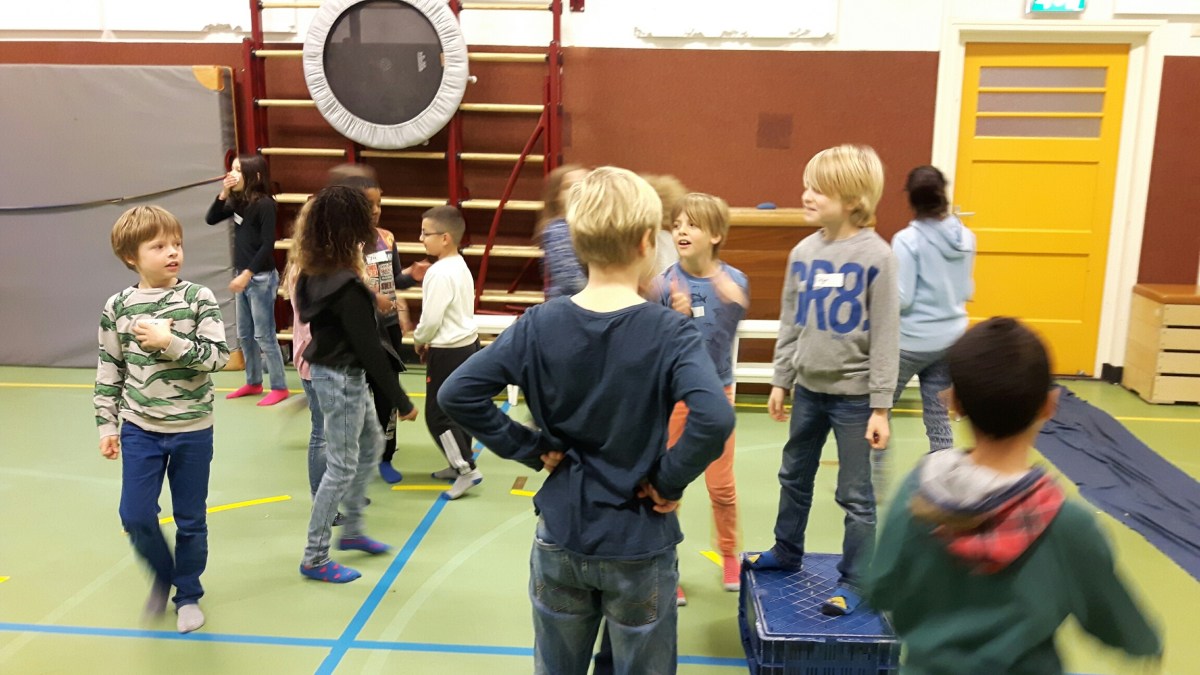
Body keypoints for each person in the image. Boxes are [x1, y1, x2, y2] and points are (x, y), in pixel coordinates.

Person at [438, 166, 734, 675]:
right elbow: (713, 417)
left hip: (561, 536)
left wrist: (530, 448)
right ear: (647, 243)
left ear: (576, 241)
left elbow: (457, 393)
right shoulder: (671, 332)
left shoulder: (539, 324)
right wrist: (667, 480)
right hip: (638, 541)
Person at [867, 317, 1163, 673]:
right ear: (1049, 406)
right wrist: (1146, 641)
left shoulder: (918, 492)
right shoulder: (1067, 526)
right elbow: (1124, 630)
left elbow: (881, 586)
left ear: (954, 402)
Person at [749, 144, 899, 617]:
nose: (806, 195)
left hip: (855, 399)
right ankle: (786, 549)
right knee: (794, 474)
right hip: (809, 392)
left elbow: (886, 334)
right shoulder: (803, 252)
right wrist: (781, 380)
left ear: (853, 201)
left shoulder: (878, 256)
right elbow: (791, 322)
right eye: (807, 186)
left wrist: (881, 407)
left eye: (819, 190)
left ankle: (856, 579)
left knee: (855, 495)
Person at [94, 205, 230, 633]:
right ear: (130, 256)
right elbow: (109, 368)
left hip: (192, 429)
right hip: (140, 428)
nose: (173, 252)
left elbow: (219, 358)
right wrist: (107, 424)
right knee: (135, 515)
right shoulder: (118, 306)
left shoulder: (197, 298)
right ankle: (163, 572)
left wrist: (170, 342)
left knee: (191, 519)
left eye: (177, 244)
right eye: (159, 246)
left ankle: (187, 594)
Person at [293, 186, 418, 583]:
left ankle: (352, 531)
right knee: (342, 466)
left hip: (337, 374)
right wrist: (401, 400)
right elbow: (369, 350)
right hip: (342, 378)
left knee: (372, 443)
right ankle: (315, 557)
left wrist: (367, 298)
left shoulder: (316, 273)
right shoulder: (345, 286)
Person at [656, 192, 749, 594]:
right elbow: (652, 342)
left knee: (722, 486)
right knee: (667, 483)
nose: (681, 231)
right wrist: (670, 320)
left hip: (716, 394)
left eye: (692, 225)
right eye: (677, 224)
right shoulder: (664, 283)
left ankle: (729, 554)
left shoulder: (734, 281)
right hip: (675, 397)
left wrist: (732, 300)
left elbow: (730, 321)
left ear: (715, 235)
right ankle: (665, 562)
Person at [324, 164, 428, 484]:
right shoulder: (340, 244)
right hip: (356, 332)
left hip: (387, 328)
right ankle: (354, 454)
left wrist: (410, 276)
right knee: (355, 395)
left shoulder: (387, 238)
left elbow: (393, 280)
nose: (376, 210)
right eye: (369, 204)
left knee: (386, 393)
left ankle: (386, 454)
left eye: (379, 204)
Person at [890, 165, 976, 453]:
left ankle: (873, 475)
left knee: (877, 410)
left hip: (910, 343)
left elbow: (902, 299)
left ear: (910, 199)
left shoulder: (906, 241)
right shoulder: (966, 237)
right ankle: (943, 471)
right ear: (943, 193)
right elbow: (966, 290)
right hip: (951, 340)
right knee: (938, 417)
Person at [204, 154, 289, 406]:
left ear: (256, 176)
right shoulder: (238, 202)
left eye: (239, 170)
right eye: (232, 169)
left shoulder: (265, 205)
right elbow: (211, 218)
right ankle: (253, 381)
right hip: (243, 277)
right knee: (244, 334)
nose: (233, 174)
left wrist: (247, 274)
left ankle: (279, 386)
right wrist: (224, 192)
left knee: (264, 335)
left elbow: (267, 245)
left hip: (260, 278)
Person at [412, 205, 483, 500]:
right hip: (467, 346)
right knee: (457, 410)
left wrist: (419, 339)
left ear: (445, 238)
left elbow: (431, 319)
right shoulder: (459, 264)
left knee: (438, 416)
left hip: (448, 352)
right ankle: (458, 465)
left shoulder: (439, 273)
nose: (421, 239)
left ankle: (466, 470)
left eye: (425, 233)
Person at [536, 163, 589, 299]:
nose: (577, 190)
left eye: (583, 185)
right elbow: (571, 281)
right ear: (556, 196)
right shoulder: (558, 229)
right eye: (569, 186)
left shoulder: (587, 227)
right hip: (569, 305)